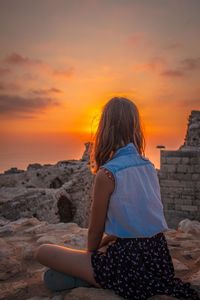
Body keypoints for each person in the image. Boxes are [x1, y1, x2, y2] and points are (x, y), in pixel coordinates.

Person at [34, 97, 199, 299]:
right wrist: (110, 240)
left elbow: (95, 230)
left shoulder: (108, 173)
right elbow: (143, 218)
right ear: (135, 128)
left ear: (105, 129)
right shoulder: (148, 166)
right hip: (158, 259)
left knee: (43, 251)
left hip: (126, 264)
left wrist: (91, 256)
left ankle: (92, 277)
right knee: (52, 278)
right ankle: (88, 278)